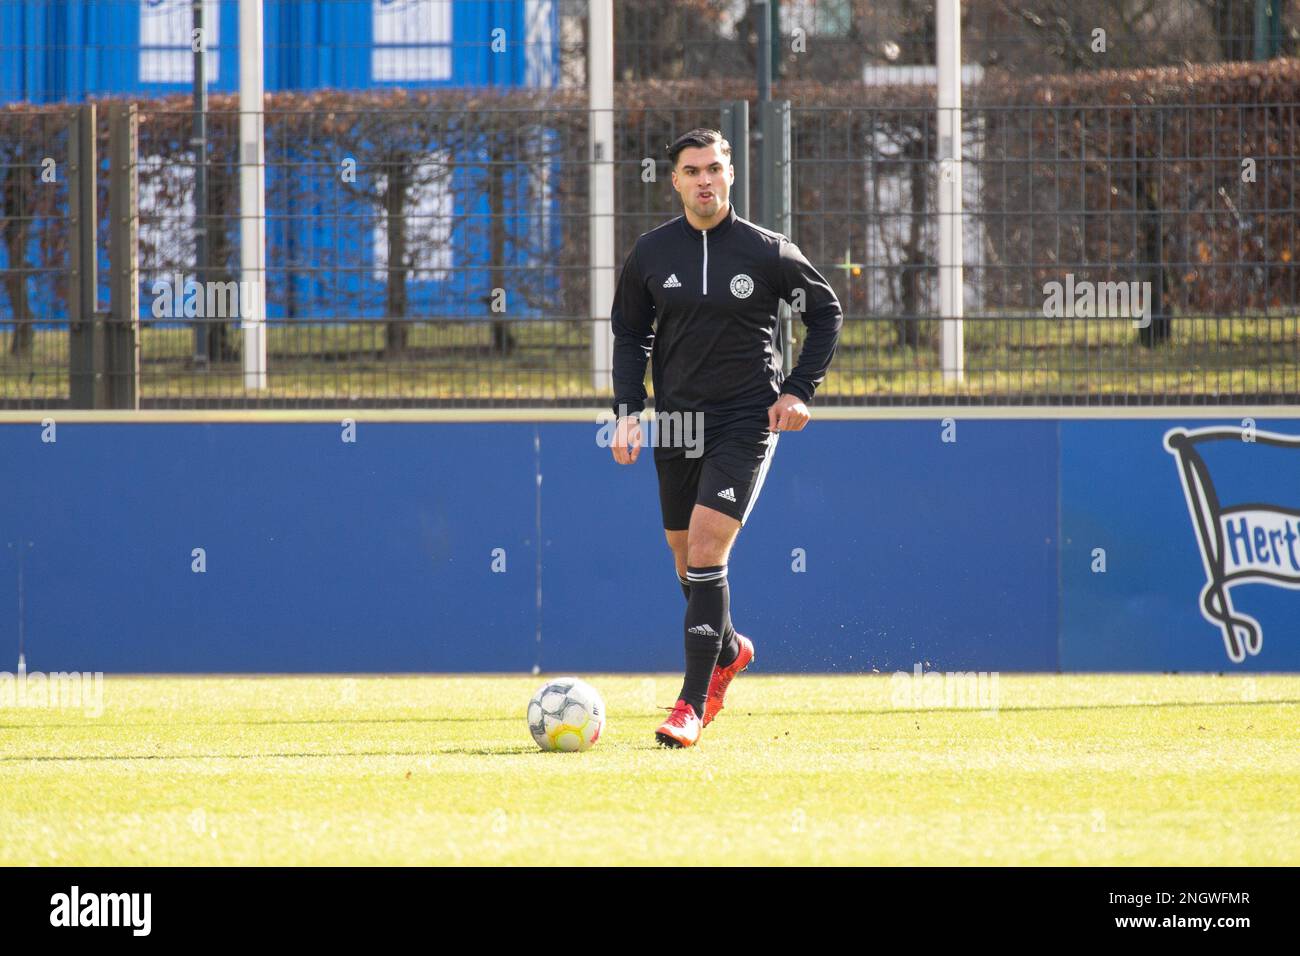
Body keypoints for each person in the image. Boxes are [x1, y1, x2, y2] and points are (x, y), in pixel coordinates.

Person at [608, 127, 843, 747]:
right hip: (678, 422)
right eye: (692, 170)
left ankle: (689, 704)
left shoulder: (767, 251)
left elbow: (825, 313)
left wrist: (798, 391)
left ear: (731, 174)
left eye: (714, 168)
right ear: (676, 180)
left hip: (745, 420)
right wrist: (629, 411)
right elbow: (631, 335)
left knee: (709, 553)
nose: (704, 180)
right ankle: (731, 648)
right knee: (686, 561)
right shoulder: (652, 253)